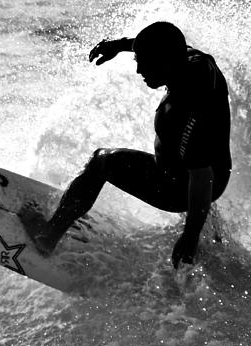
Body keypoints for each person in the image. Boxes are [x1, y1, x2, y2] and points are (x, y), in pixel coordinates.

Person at [21, 21, 232, 268]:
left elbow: (200, 176)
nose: (139, 70)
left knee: (102, 162)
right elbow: (161, 45)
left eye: (145, 63)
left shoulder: (184, 110)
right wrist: (120, 46)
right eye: (138, 59)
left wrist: (190, 236)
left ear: (166, 62)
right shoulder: (194, 59)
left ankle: (47, 238)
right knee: (191, 161)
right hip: (216, 173)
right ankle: (212, 233)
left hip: (181, 187)